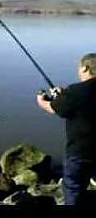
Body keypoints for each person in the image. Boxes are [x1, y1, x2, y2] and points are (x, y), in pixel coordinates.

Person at [36, 53, 96, 205]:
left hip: (80, 153)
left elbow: (54, 108)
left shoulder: (75, 91)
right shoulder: (72, 93)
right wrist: (63, 96)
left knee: (73, 191)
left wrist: (41, 101)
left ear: (85, 68)